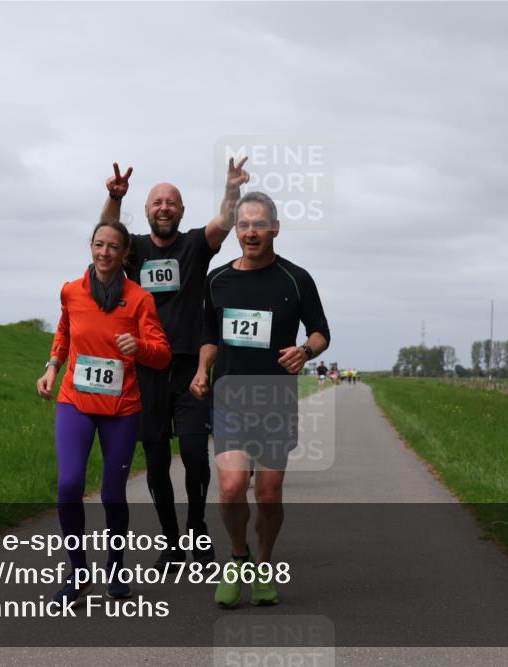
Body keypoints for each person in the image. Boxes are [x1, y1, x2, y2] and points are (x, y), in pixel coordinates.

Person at [100, 158, 250, 569]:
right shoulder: (134, 251)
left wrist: (233, 189)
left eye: (171, 202)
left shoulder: (195, 245)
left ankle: (197, 530)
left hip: (189, 369)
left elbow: (223, 219)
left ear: (181, 212)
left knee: (196, 456)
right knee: (156, 460)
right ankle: (170, 541)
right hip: (145, 371)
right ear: (146, 211)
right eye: (156, 202)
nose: (163, 207)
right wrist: (114, 198)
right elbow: (107, 235)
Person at [191, 191, 330, 607]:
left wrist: (305, 351)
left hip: (274, 399)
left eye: (258, 225)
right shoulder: (217, 279)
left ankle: (264, 563)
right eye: (243, 225)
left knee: (268, 494)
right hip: (230, 397)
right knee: (232, 486)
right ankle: (238, 555)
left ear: (275, 229)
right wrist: (201, 371)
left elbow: (321, 331)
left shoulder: (296, 279)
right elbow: (210, 337)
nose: (250, 232)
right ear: (236, 229)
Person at [37, 220, 171, 603]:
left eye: (114, 247)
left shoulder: (140, 299)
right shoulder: (71, 291)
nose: (105, 253)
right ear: (90, 246)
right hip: (75, 403)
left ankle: (115, 568)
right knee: (69, 484)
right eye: (99, 244)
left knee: (113, 493)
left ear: (125, 253)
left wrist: (139, 347)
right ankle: (79, 573)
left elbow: (161, 355)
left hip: (122, 409)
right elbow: (64, 332)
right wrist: (51, 368)